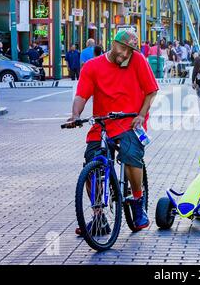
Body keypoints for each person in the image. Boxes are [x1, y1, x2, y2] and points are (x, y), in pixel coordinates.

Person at [65, 29, 159, 234]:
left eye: (130, 50)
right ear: (112, 43)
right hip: (102, 123)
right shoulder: (92, 66)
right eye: (122, 48)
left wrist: (142, 115)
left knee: (131, 154)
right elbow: (81, 95)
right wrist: (74, 115)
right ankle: (99, 217)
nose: (125, 54)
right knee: (91, 162)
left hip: (130, 120)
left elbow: (151, 91)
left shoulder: (138, 60)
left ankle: (137, 202)